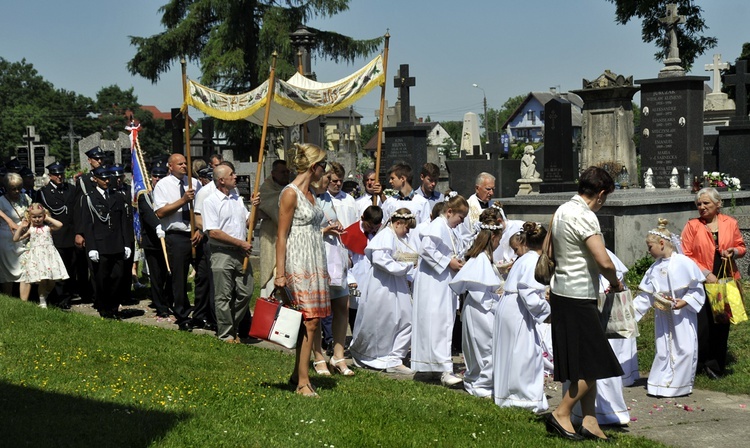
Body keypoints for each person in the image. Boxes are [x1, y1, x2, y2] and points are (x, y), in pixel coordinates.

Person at [545, 166, 624, 442]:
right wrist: (615, 282)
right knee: (599, 362)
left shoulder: (563, 210)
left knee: (585, 364)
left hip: (562, 292)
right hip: (578, 296)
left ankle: (590, 421)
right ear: (601, 194)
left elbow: (554, 252)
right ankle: (562, 413)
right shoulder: (585, 215)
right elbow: (603, 261)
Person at [274, 143, 331, 397]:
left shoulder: (312, 193)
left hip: (314, 259)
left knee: (309, 321)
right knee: (310, 321)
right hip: (297, 260)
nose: (325, 171)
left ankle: (298, 373)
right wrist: (280, 272)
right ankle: (303, 383)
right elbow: (281, 235)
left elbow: (311, 228)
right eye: (323, 166)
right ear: (313, 166)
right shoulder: (291, 193)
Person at [635, 218, 706, 397]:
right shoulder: (653, 268)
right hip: (663, 314)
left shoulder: (684, 262)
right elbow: (646, 296)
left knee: (685, 347)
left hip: (682, 314)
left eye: (650, 246)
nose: (648, 251)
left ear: (661, 243)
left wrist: (685, 301)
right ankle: (660, 384)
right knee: (664, 348)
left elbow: (696, 289)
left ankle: (679, 385)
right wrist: (630, 314)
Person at [681, 187, 746, 379]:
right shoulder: (692, 225)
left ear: (718, 204)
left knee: (722, 323)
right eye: (699, 204)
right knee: (703, 324)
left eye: (706, 203)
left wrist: (733, 251)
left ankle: (716, 366)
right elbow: (686, 255)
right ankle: (700, 362)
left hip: (725, 277)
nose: (701, 207)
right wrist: (704, 273)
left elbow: (741, 247)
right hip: (700, 279)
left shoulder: (730, 223)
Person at [350, 208, 417, 374]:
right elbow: (380, 260)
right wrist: (405, 267)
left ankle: (395, 357)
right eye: (406, 227)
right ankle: (370, 354)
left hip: (398, 284)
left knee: (406, 318)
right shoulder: (386, 235)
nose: (407, 231)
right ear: (398, 223)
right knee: (382, 319)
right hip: (382, 285)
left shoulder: (400, 237)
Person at [410, 194, 468, 387]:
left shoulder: (448, 228)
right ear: (449, 212)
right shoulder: (437, 225)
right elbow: (426, 249)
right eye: (460, 217)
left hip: (442, 282)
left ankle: (437, 366)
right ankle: (443, 368)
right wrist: (448, 262)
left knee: (442, 322)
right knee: (438, 322)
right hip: (433, 283)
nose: (461, 222)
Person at [492, 221, 551, 410]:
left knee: (510, 350)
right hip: (518, 311)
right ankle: (523, 399)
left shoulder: (523, 259)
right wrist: (547, 312)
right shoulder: (533, 261)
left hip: (509, 306)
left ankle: (505, 395)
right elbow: (529, 294)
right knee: (524, 353)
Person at [448, 210, 504, 398]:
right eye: (499, 239)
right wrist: (498, 300)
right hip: (482, 310)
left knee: (480, 348)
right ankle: (482, 384)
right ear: (493, 237)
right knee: (485, 348)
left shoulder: (482, 258)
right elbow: (481, 293)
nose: (499, 244)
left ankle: (477, 380)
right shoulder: (480, 260)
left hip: (479, 308)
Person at [203, 164, 254, 343]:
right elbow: (213, 232)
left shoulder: (237, 198)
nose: (236, 176)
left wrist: (257, 209)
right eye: (231, 174)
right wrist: (240, 242)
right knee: (223, 295)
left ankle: (232, 324)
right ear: (221, 180)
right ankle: (226, 334)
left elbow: (248, 222)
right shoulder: (211, 201)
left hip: (241, 252)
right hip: (222, 252)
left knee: (246, 292)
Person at [153, 153, 202, 331]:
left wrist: (199, 229)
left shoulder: (194, 183)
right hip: (177, 235)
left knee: (203, 275)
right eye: (179, 164)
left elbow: (200, 209)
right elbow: (160, 212)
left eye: (185, 163)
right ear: (170, 166)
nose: (183, 166)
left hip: (196, 233)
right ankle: (182, 315)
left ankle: (201, 313)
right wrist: (182, 200)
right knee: (179, 278)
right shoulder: (163, 186)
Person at [311, 170, 352, 376]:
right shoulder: (304, 195)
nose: (331, 182)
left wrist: (336, 226)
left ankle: (338, 354)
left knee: (342, 305)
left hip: (335, 256)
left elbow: (330, 219)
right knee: (318, 310)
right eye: (328, 178)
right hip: (316, 256)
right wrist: (325, 231)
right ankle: (318, 356)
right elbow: (299, 231)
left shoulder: (327, 197)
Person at [79, 166, 130, 319]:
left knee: (118, 277)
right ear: (95, 179)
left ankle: (114, 308)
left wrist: (126, 243)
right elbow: (88, 224)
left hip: (116, 243)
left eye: (108, 178)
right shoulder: (89, 198)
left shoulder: (117, 196)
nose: (107, 181)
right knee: (101, 279)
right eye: (103, 179)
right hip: (100, 244)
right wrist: (91, 247)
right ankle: (104, 309)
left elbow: (123, 222)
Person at [36, 162, 77, 308]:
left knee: (71, 267)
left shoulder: (70, 189)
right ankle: (58, 298)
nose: (59, 177)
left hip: (71, 233)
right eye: (56, 174)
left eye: (61, 174)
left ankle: (68, 296)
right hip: (56, 235)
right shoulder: (44, 192)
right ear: (50, 175)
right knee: (57, 268)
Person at [13, 203, 69, 308]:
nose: (37, 219)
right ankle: (42, 301)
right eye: (34, 217)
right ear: (30, 217)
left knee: (52, 280)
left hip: (49, 255)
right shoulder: (31, 230)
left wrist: (48, 218)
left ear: (43, 216)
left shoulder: (48, 228)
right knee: (43, 279)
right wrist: (21, 227)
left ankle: (45, 294)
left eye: (40, 216)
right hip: (38, 257)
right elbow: (16, 239)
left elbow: (60, 225)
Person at [138, 162, 173, 319]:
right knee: (156, 275)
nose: (157, 179)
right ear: (150, 177)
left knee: (169, 273)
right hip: (153, 240)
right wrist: (158, 226)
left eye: (161, 176)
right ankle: (160, 306)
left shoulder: (168, 192)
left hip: (169, 239)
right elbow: (147, 212)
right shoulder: (145, 194)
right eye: (155, 176)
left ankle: (169, 300)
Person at [340, 205, 383, 332]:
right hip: (357, 277)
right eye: (369, 226)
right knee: (356, 310)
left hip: (375, 278)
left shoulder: (379, 233)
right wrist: (350, 279)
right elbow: (345, 261)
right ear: (362, 218)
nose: (372, 230)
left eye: (375, 228)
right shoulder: (349, 234)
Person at [257, 159, 290, 295]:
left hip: (287, 237)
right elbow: (272, 206)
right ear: (273, 173)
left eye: (287, 172)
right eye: (282, 172)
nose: (285, 174)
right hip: (270, 236)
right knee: (270, 272)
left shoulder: (291, 188)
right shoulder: (266, 188)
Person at [1, 173, 33, 299]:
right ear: (6, 188)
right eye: (13, 188)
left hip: (24, 239)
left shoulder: (25, 198)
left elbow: (32, 212)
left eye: (19, 188)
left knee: (26, 270)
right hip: (7, 241)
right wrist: (8, 220)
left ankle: (23, 302)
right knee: (7, 272)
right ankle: (8, 299)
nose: (16, 191)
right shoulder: (1, 201)